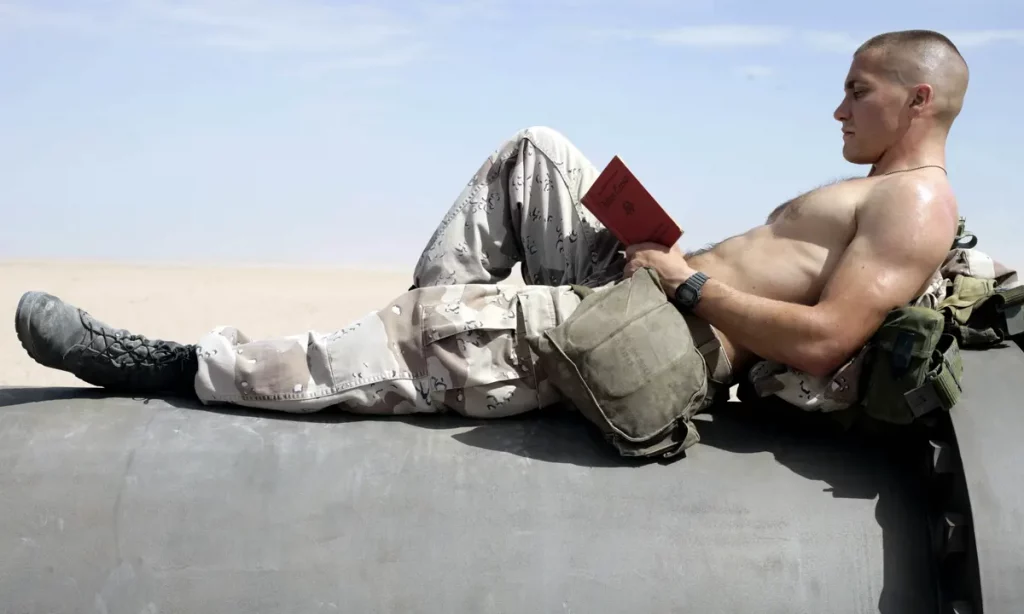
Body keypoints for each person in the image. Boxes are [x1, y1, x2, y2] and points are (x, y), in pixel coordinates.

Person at [16, 29, 966, 423]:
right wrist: (668, 259)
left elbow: (825, 339)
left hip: (667, 334)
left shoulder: (916, 202)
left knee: (432, 329)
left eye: (858, 91)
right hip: (657, 288)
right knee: (537, 153)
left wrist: (687, 283)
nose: (838, 109)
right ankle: (423, 343)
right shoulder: (882, 190)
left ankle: (180, 365)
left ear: (918, 99)